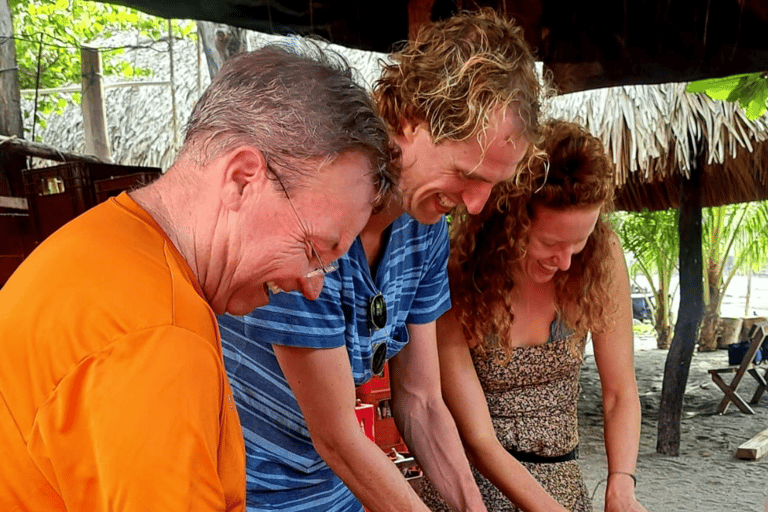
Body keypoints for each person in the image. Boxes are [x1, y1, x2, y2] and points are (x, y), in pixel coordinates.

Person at [0, 46, 396, 511]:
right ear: (242, 179)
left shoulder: (103, 242)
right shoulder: (160, 339)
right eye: (313, 250)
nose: (311, 286)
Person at [217, 8, 541, 512]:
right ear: (410, 121)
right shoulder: (313, 211)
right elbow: (337, 437)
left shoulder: (423, 230)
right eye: (466, 173)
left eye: (491, 185)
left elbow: (423, 401)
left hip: (335, 493)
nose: (476, 203)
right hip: (248, 494)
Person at [417, 119, 648, 512]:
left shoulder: (601, 256)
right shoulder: (457, 272)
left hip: (562, 484)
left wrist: (620, 486)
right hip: (473, 487)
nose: (565, 260)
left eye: (580, 241)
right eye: (551, 243)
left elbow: (619, 395)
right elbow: (479, 438)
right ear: (511, 222)